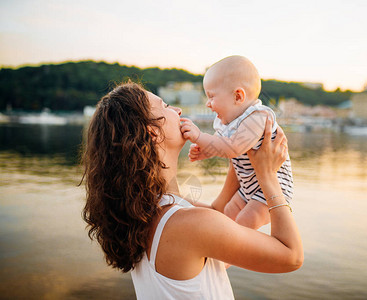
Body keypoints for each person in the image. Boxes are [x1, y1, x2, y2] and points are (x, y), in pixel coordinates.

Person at [82, 81, 303, 299]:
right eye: (166, 107)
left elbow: (219, 213)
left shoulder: (152, 211)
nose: (177, 110)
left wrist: (241, 153)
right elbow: (291, 256)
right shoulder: (188, 224)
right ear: (153, 133)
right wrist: (268, 176)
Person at [180, 55, 294, 230]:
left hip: (271, 191)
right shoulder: (229, 121)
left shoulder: (257, 118)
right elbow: (223, 144)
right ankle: (225, 252)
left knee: (245, 222)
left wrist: (199, 136)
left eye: (211, 97)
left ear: (238, 96)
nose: (208, 104)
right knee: (227, 214)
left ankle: (245, 253)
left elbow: (233, 148)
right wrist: (207, 150)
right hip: (248, 189)